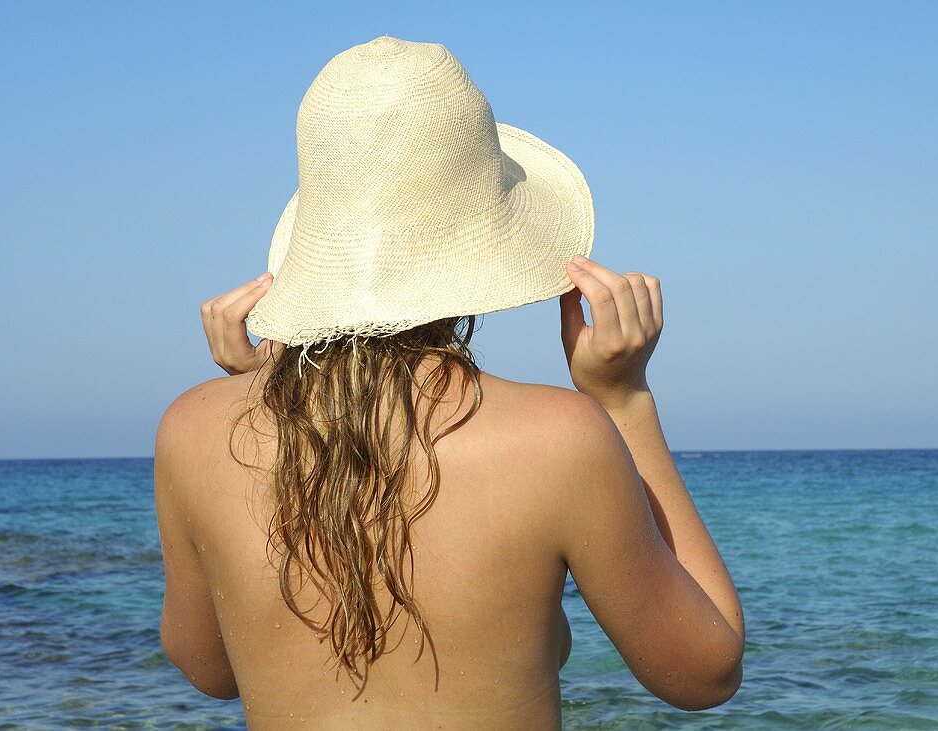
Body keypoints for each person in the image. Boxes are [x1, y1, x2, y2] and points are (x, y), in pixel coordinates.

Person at [154, 36, 743, 730]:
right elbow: (705, 671)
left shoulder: (192, 431)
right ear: (485, 239)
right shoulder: (559, 441)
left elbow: (214, 666)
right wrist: (624, 401)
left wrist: (259, 393)